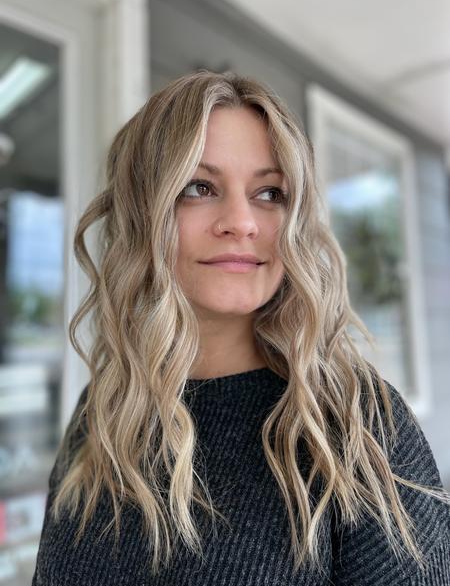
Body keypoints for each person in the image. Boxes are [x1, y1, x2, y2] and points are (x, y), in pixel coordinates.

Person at [32, 70, 450, 585]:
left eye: (270, 193)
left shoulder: (359, 425)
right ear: (143, 213)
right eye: (199, 187)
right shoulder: (103, 411)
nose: (242, 221)